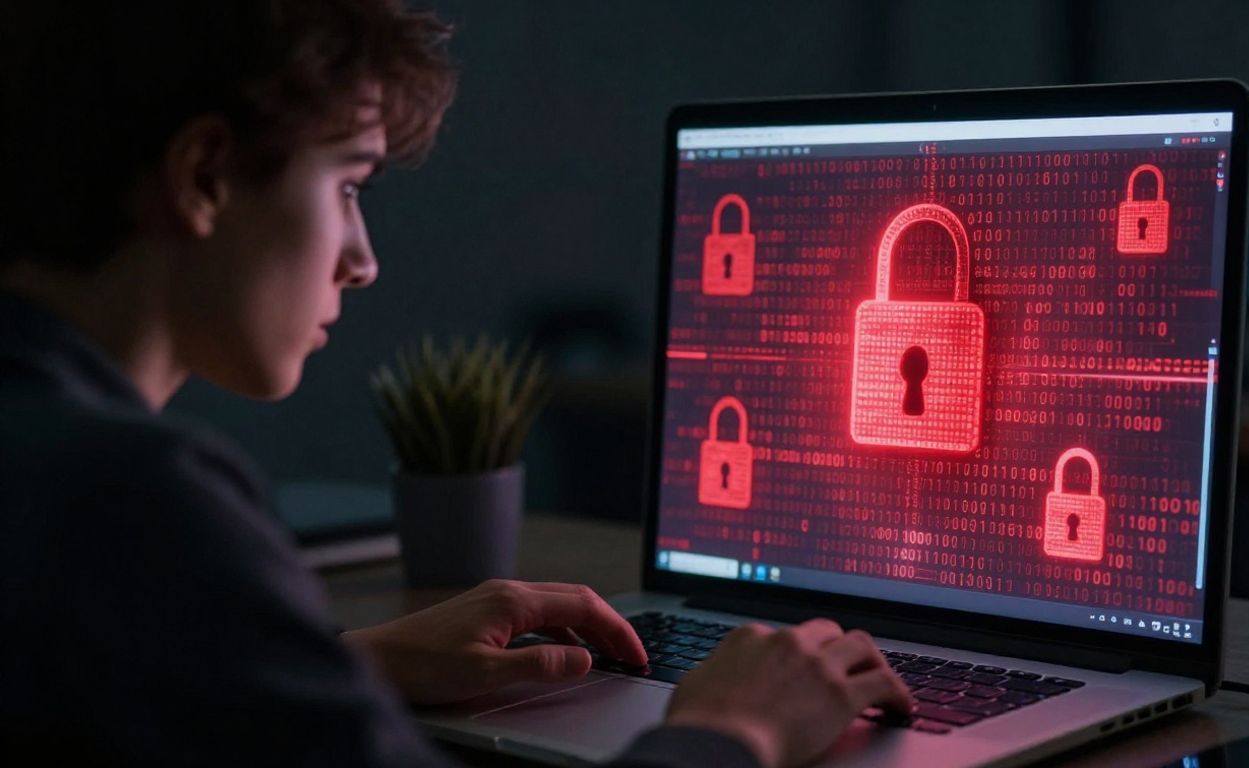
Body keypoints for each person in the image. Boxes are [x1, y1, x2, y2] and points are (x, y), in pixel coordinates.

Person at [0, 2, 911, 766]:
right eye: (350, 186)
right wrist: (734, 730)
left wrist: (337, 664)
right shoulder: (135, 499)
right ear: (203, 177)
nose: (362, 262)